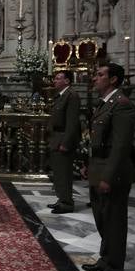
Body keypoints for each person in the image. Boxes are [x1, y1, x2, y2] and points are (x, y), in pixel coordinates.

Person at [81, 63, 135, 271]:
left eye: (100, 75)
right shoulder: (104, 104)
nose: (95, 78)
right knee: (102, 219)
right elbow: (97, 142)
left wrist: (108, 177)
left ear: (113, 79)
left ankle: (114, 268)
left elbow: (121, 146)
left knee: (113, 220)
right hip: (99, 168)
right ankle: (105, 259)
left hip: (113, 173)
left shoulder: (122, 105)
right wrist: (88, 165)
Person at [47, 69, 81, 214]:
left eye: (58, 78)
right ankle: (61, 198)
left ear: (67, 81)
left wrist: (66, 143)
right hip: (57, 138)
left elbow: (72, 122)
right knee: (58, 172)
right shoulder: (61, 96)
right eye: (55, 78)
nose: (55, 81)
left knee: (64, 173)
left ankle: (67, 203)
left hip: (63, 139)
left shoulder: (71, 96)